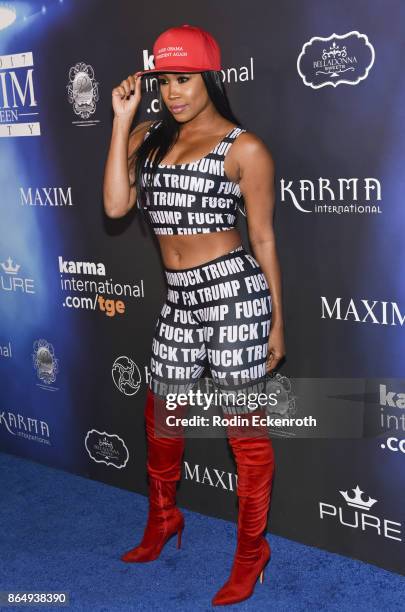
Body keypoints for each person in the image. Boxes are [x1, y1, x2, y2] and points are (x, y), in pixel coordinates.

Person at [103, 23, 286, 607]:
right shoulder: (150, 138)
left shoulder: (245, 148)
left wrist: (277, 320)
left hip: (234, 295)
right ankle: (163, 520)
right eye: (165, 81)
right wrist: (121, 120)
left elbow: (263, 238)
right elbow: (114, 204)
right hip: (179, 296)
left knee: (247, 439)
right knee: (162, 420)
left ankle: (252, 550)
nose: (174, 92)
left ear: (210, 78)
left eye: (184, 79)